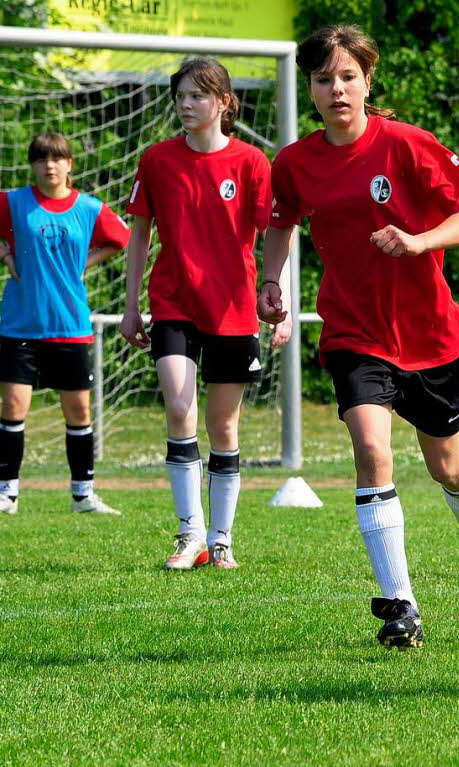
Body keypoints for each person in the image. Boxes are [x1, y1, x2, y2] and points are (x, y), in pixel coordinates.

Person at [258, 25, 459, 649]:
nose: (336, 88)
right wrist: (270, 280)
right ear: (310, 89)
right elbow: (282, 221)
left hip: (429, 334)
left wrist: (420, 241)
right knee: (371, 450)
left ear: (368, 81)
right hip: (352, 331)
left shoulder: (408, 145)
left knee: (446, 466)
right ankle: (400, 605)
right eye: (323, 79)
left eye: (347, 76)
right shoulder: (295, 162)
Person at [120, 57, 291, 570]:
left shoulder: (252, 163)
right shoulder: (157, 160)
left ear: (224, 102)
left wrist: (281, 299)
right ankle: (189, 533)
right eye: (180, 97)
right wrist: (130, 305)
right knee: (178, 408)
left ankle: (221, 539)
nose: (186, 105)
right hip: (173, 301)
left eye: (197, 95)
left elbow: (279, 233)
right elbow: (139, 235)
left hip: (233, 308)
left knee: (224, 428)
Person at [0, 132, 130, 516]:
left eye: (57, 158)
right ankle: (7, 493)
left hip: (70, 325)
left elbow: (122, 239)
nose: (49, 165)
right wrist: (5, 251)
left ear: (70, 164)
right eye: (41, 159)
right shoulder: (13, 202)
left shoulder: (89, 208)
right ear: (33, 166)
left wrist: (84, 265)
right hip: (19, 325)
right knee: (12, 406)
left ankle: (82, 495)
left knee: (78, 413)